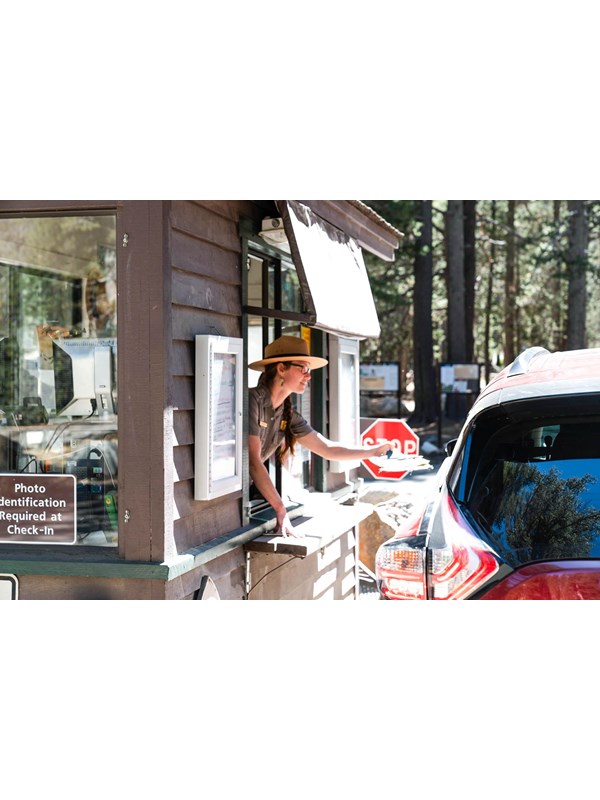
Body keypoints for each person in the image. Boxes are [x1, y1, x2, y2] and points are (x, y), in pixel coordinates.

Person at [248, 334, 396, 537]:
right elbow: (252, 461)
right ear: (281, 368)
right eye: (303, 368)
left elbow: (328, 449)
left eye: (308, 370)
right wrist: (280, 509)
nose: (308, 376)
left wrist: (373, 451)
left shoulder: (286, 413)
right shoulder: (252, 401)